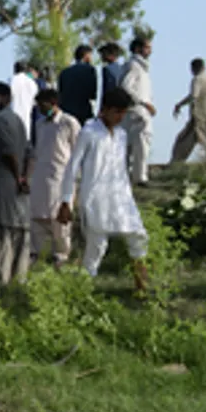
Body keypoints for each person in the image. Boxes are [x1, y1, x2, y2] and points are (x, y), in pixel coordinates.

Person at [58, 87, 150, 292]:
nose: (120, 117)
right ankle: (82, 293)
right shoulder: (89, 132)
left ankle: (142, 289)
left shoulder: (121, 135)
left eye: (123, 112)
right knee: (96, 247)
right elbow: (72, 168)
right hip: (95, 199)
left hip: (120, 196)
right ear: (105, 109)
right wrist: (66, 201)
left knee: (137, 236)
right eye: (117, 112)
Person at [30, 89, 81, 267]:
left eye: (42, 104)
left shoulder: (69, 123)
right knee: (38, 217)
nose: (39, 108)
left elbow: (77, 153)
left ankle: (61, 256)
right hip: (40, 177)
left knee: (59, 220)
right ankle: (36, 255)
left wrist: (77, 180)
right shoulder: (40, 124)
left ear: (53, 103)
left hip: (61, 178)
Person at [0, 81, 32, 285]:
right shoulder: (18, 120)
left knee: (3, 233)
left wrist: (18, 176)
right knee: (21, 232)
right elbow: (30, 153)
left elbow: (10, 152)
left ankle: (2, 280)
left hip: (6, 183)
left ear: (5, 98)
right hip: (20, 187)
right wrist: (26, 178)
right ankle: (19, 279)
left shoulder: (0, 120)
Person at [120, 37, 156, 186]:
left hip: (137, 109)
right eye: (147, 47)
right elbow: (125, 87)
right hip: (137, 110)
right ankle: (139, 177)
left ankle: (131, 176)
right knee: (140, 144)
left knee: (133, 144)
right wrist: (144, 103)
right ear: (137, 49)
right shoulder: (134, 66)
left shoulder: (141, 67)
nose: (150, 50)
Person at [57, 45, 99, 123]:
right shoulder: (90, 70)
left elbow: (60, 93)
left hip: (66, 111)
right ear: (86, 55)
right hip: (83, 111)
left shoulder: (64, 72)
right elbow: (93, 93)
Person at [9, 61, 38, 141]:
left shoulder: (11, 80)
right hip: (26, 119)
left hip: (12, 118)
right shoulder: (32, 83)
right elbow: (34, 102)